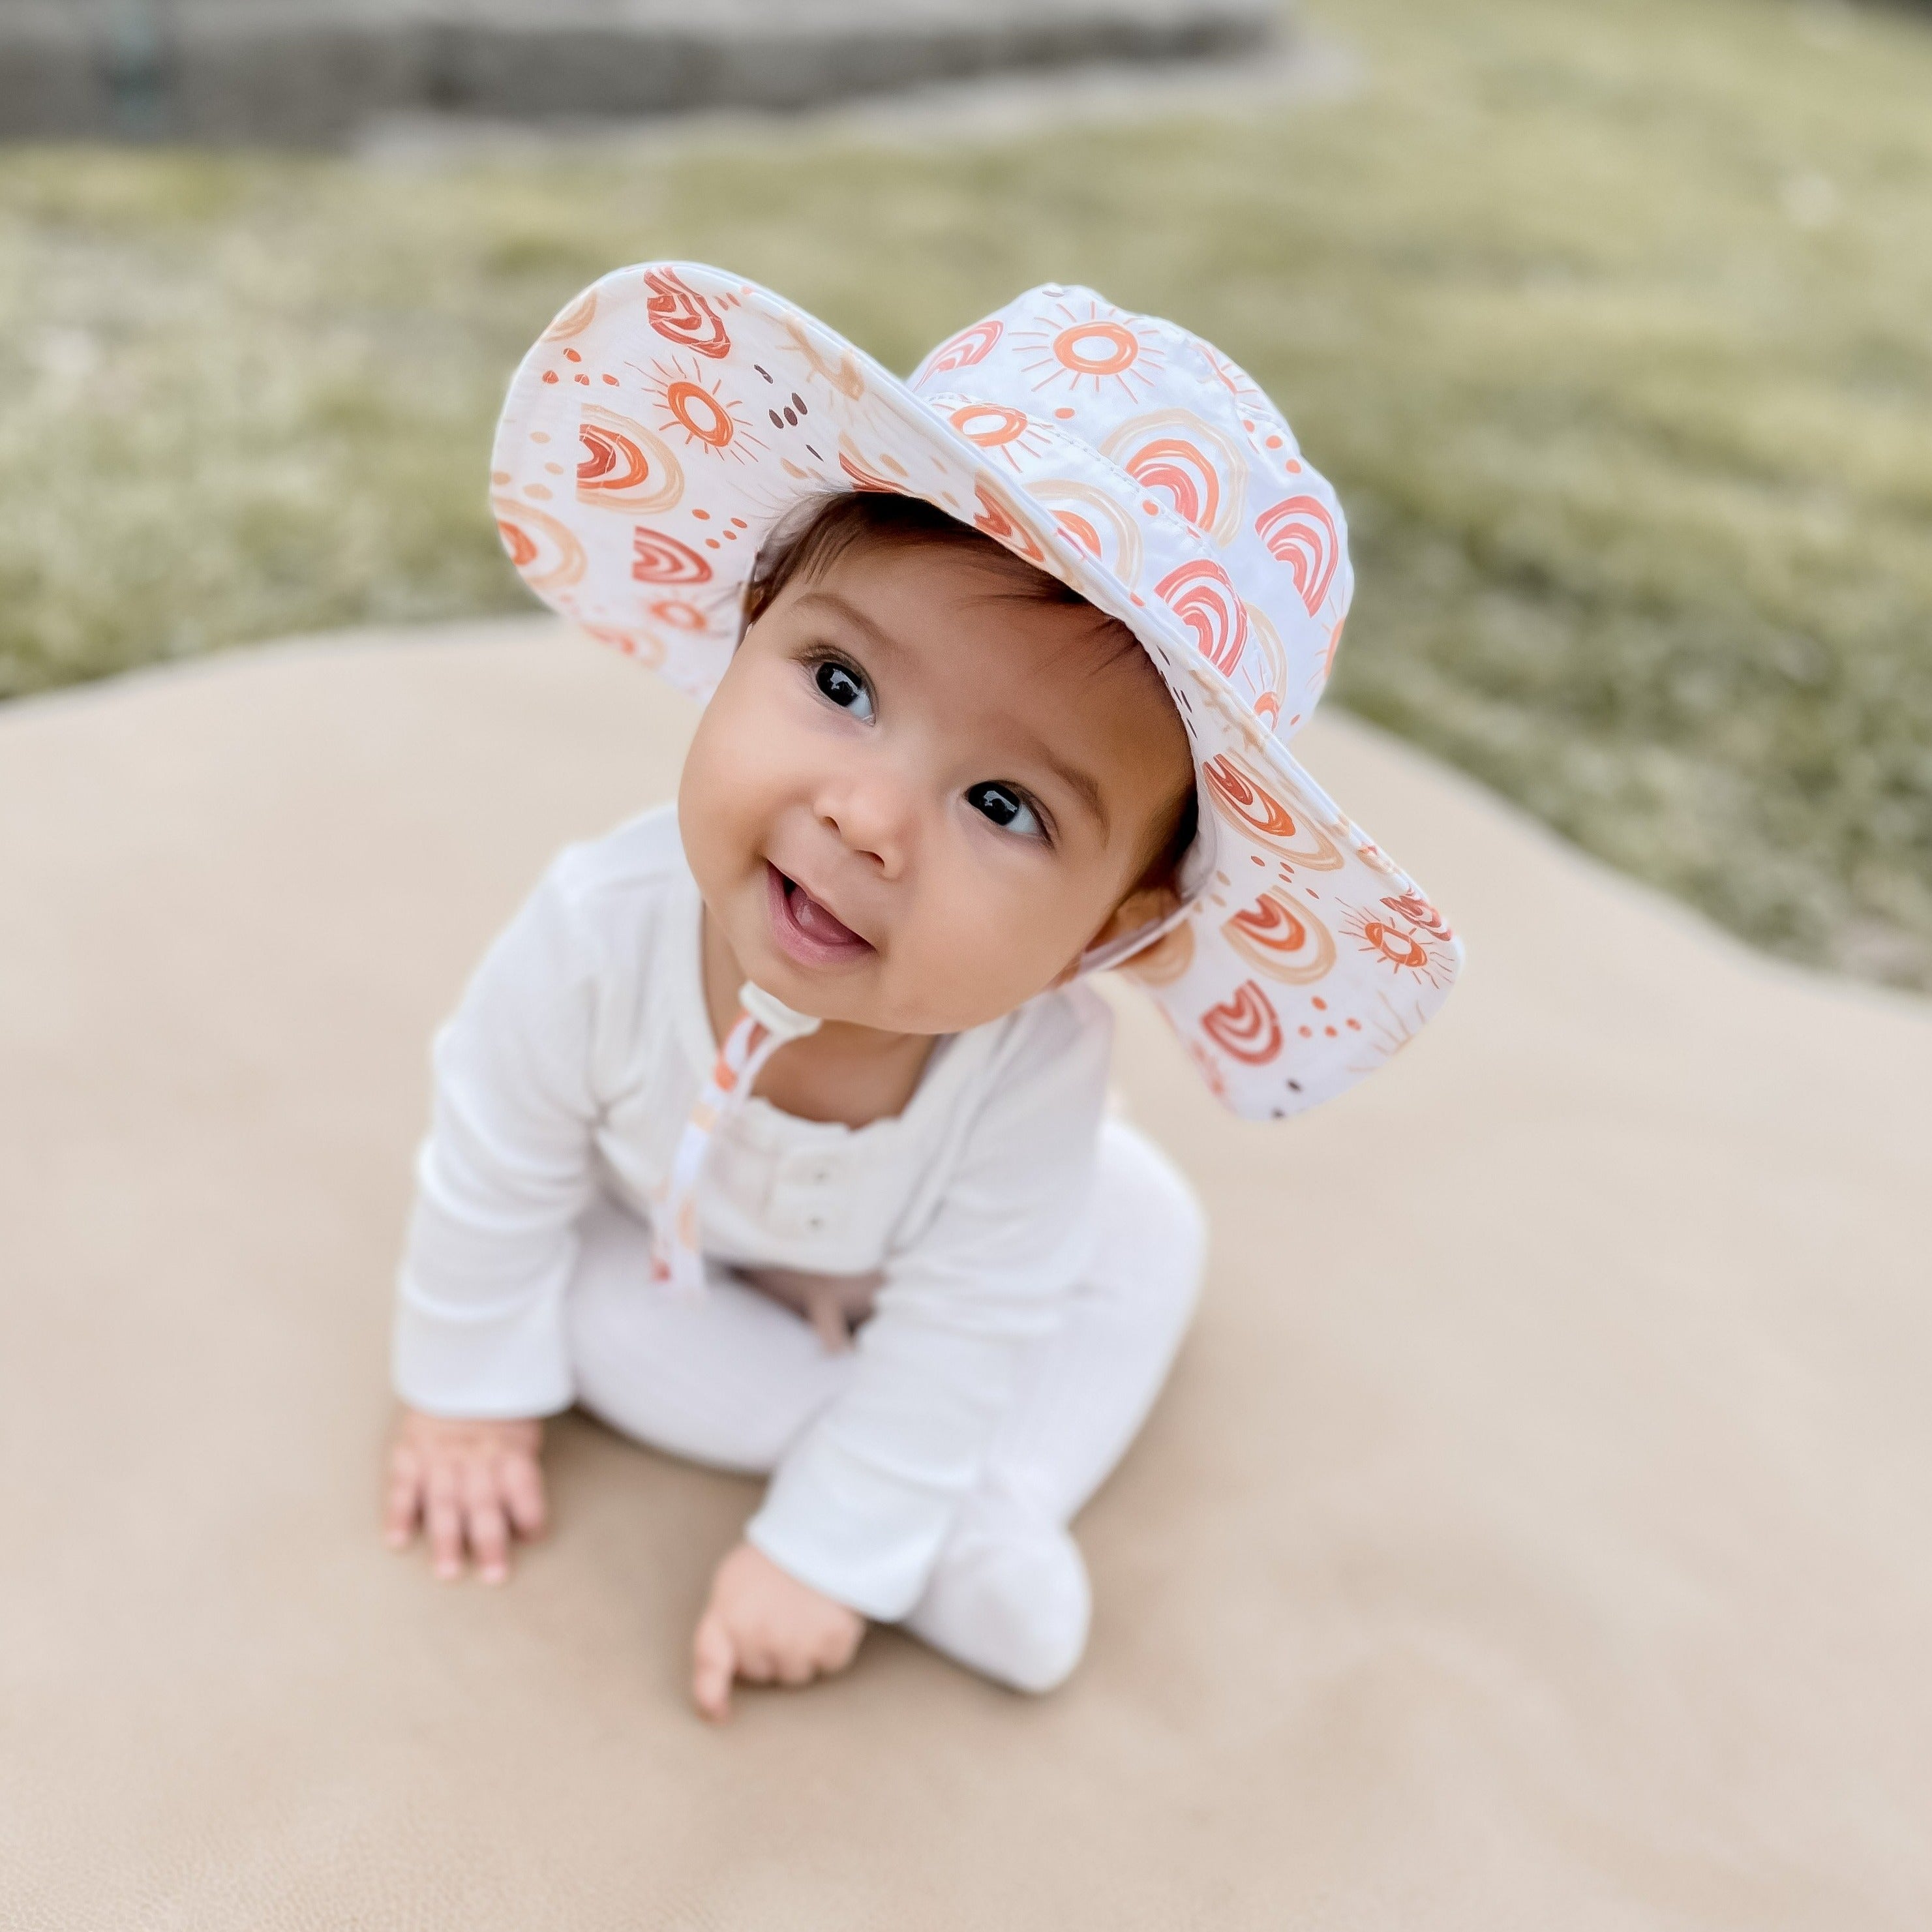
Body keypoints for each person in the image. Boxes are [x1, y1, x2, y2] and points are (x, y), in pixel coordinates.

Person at [380, 265, 1462, 1719]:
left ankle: (937, 1491)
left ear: (1118, 924)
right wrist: (465, 1387)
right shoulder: (595, 932)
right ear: (749, 622)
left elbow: (968, 1317)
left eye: (1005, 805)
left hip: (908, 1274)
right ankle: (955, 1519)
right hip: (665, 1236)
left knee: (1142, 1237)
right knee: (561, 1306)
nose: (868, 818)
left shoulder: (1032, 1067)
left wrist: (822, 1555)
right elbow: (494, 1163)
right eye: (839, 685)